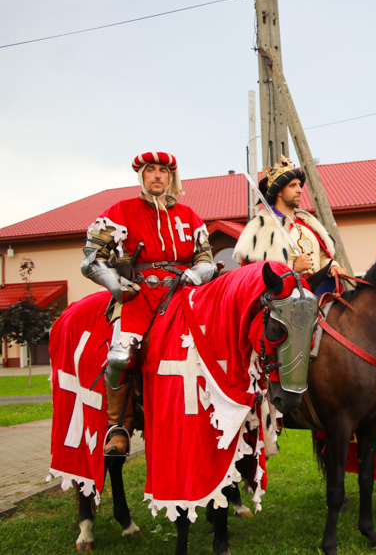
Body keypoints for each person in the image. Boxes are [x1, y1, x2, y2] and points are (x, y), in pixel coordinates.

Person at [81, 151, 217, 456]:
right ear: (142, 176)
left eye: (163, 171)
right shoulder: (119, 211)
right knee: (119, 356)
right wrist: (115, 284)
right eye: (151, 170)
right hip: (137, 296)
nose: (158, 176)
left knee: (215, 346)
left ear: (171, 178)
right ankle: (118, 426)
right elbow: (91, 262)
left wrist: (196, 273)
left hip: (182, 295)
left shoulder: (190, 216)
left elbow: (207, 259)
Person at [233, 156, 348, 286]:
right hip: (283, 298)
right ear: (279, 192)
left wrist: (333, 266)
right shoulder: (261, 226)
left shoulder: (308, 224)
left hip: (316, 292)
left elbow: (321, 259)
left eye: (299, 185)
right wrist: (292, 266)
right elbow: (256, 272)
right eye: (293, 185)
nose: (300, 190)